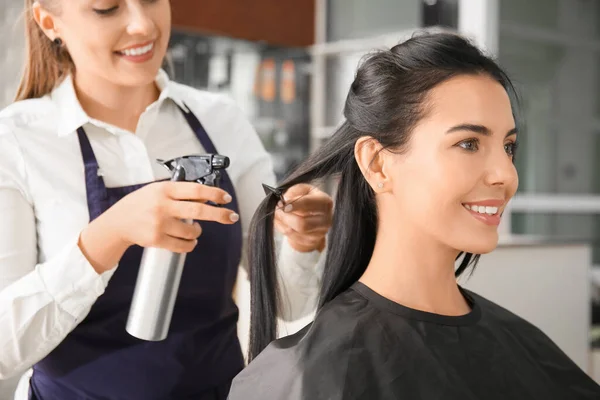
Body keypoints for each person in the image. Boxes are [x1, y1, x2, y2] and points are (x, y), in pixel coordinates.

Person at [228, 32, 600, 400]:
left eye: (508, 147)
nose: (506, 174)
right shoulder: (311, 375)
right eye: (468, 143)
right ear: (377, 164)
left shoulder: (525, 345)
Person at [0, 1, 333, 399]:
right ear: (50, 21)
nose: (142, 25)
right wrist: (108, 235)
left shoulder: (221, 121)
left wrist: (302, 241)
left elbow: (287, 304)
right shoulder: (17, 142)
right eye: (107, 8)